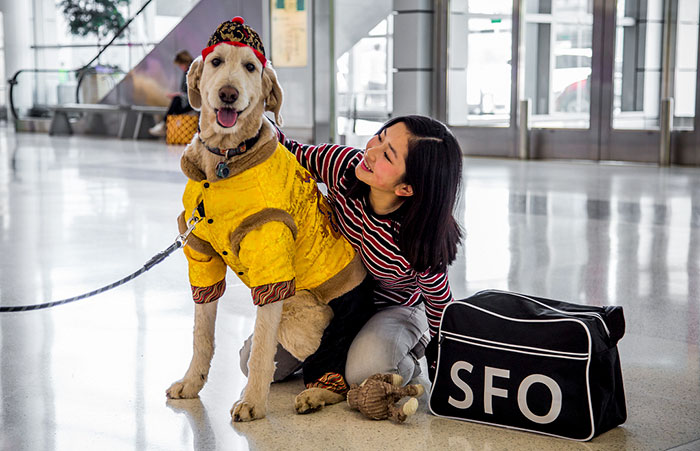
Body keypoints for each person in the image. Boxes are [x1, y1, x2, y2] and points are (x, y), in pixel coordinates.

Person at [240, 115, 463, 386]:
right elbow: (288, 152)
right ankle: (349, 348)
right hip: (336, 298)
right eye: (380, 137)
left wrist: (441, 357)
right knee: (257, 363)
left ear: (406, 188)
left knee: (366, 373)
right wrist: (255, 112)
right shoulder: (343, 165)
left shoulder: (421, 240)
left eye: (387, 155)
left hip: (392, 307)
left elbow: (439, 304)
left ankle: (411, 346)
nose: (370, 152)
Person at [149, 50, 195, 137]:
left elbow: (193, 91)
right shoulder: (187, 72)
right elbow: (185, 91)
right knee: (176, 104)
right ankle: (164, 125)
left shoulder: (192, 71)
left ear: (184, 62)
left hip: (192, 101)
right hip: (187, 100)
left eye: (180, 65)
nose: (180, 67)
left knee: (176, 100)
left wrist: (179, 95)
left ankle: (164, 124)